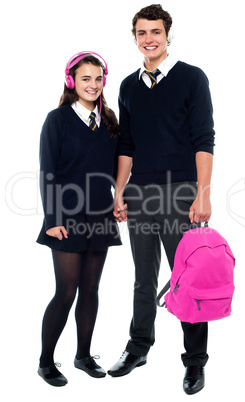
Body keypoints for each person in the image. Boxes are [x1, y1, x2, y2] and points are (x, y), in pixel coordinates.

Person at [108, 4, 215, 395]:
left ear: (168, 35)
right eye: (141, 33)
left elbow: (204, 138)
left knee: (188, 281)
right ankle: (139, 347)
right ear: (135, 38)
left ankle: (195, 363)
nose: (148, 39)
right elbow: (127, 144)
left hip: (182, 194)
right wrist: (119, 191)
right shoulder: (127, 86)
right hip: (140, 194)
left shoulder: (191, 79)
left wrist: (203, 193)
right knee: (142, 279)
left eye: (155, 31)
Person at [36, 51, 121, 386]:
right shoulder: (57, 120)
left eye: (99, 79)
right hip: (66, 217)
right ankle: (45, 362)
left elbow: (117, 169)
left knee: (91, 289)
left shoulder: (110, 120)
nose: (93, 85)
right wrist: (52, 218)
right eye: (86, 78)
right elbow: (48, 173)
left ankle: (83, 355)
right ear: (72, 82)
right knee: (66, 291)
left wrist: (121, 199)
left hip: (100, 214)